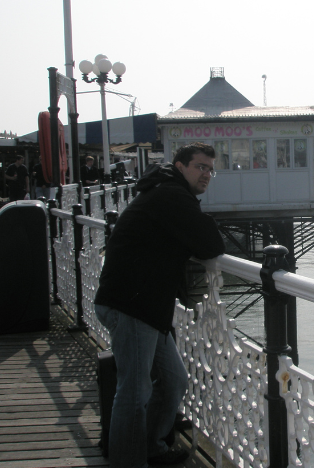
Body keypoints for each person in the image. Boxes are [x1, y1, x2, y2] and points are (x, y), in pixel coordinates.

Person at [94, 142, 225, 467]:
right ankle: (127, 460)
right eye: (200, 166)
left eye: (211, 169)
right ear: (180, 167)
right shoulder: (172, 196)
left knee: (173, 381)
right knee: (134, 391)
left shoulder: (166, 192)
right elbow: (210, 244)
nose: (206, 173)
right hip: (132, 305)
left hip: (146, 307)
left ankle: (151, 446)